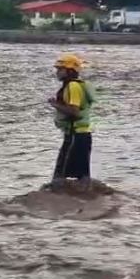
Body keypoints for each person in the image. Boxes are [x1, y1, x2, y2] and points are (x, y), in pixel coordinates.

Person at [49, 54, 96, 190]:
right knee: (81, 173)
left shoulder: (73, 86)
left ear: (70, 70)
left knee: (61, 174)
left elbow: (74, 111)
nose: (57, 72)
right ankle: (86, 197)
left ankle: (57, 199)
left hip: (76, 134)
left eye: (61, 69)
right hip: (80, 134)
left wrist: (55, 104)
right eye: (57, 69)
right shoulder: (75, 85)